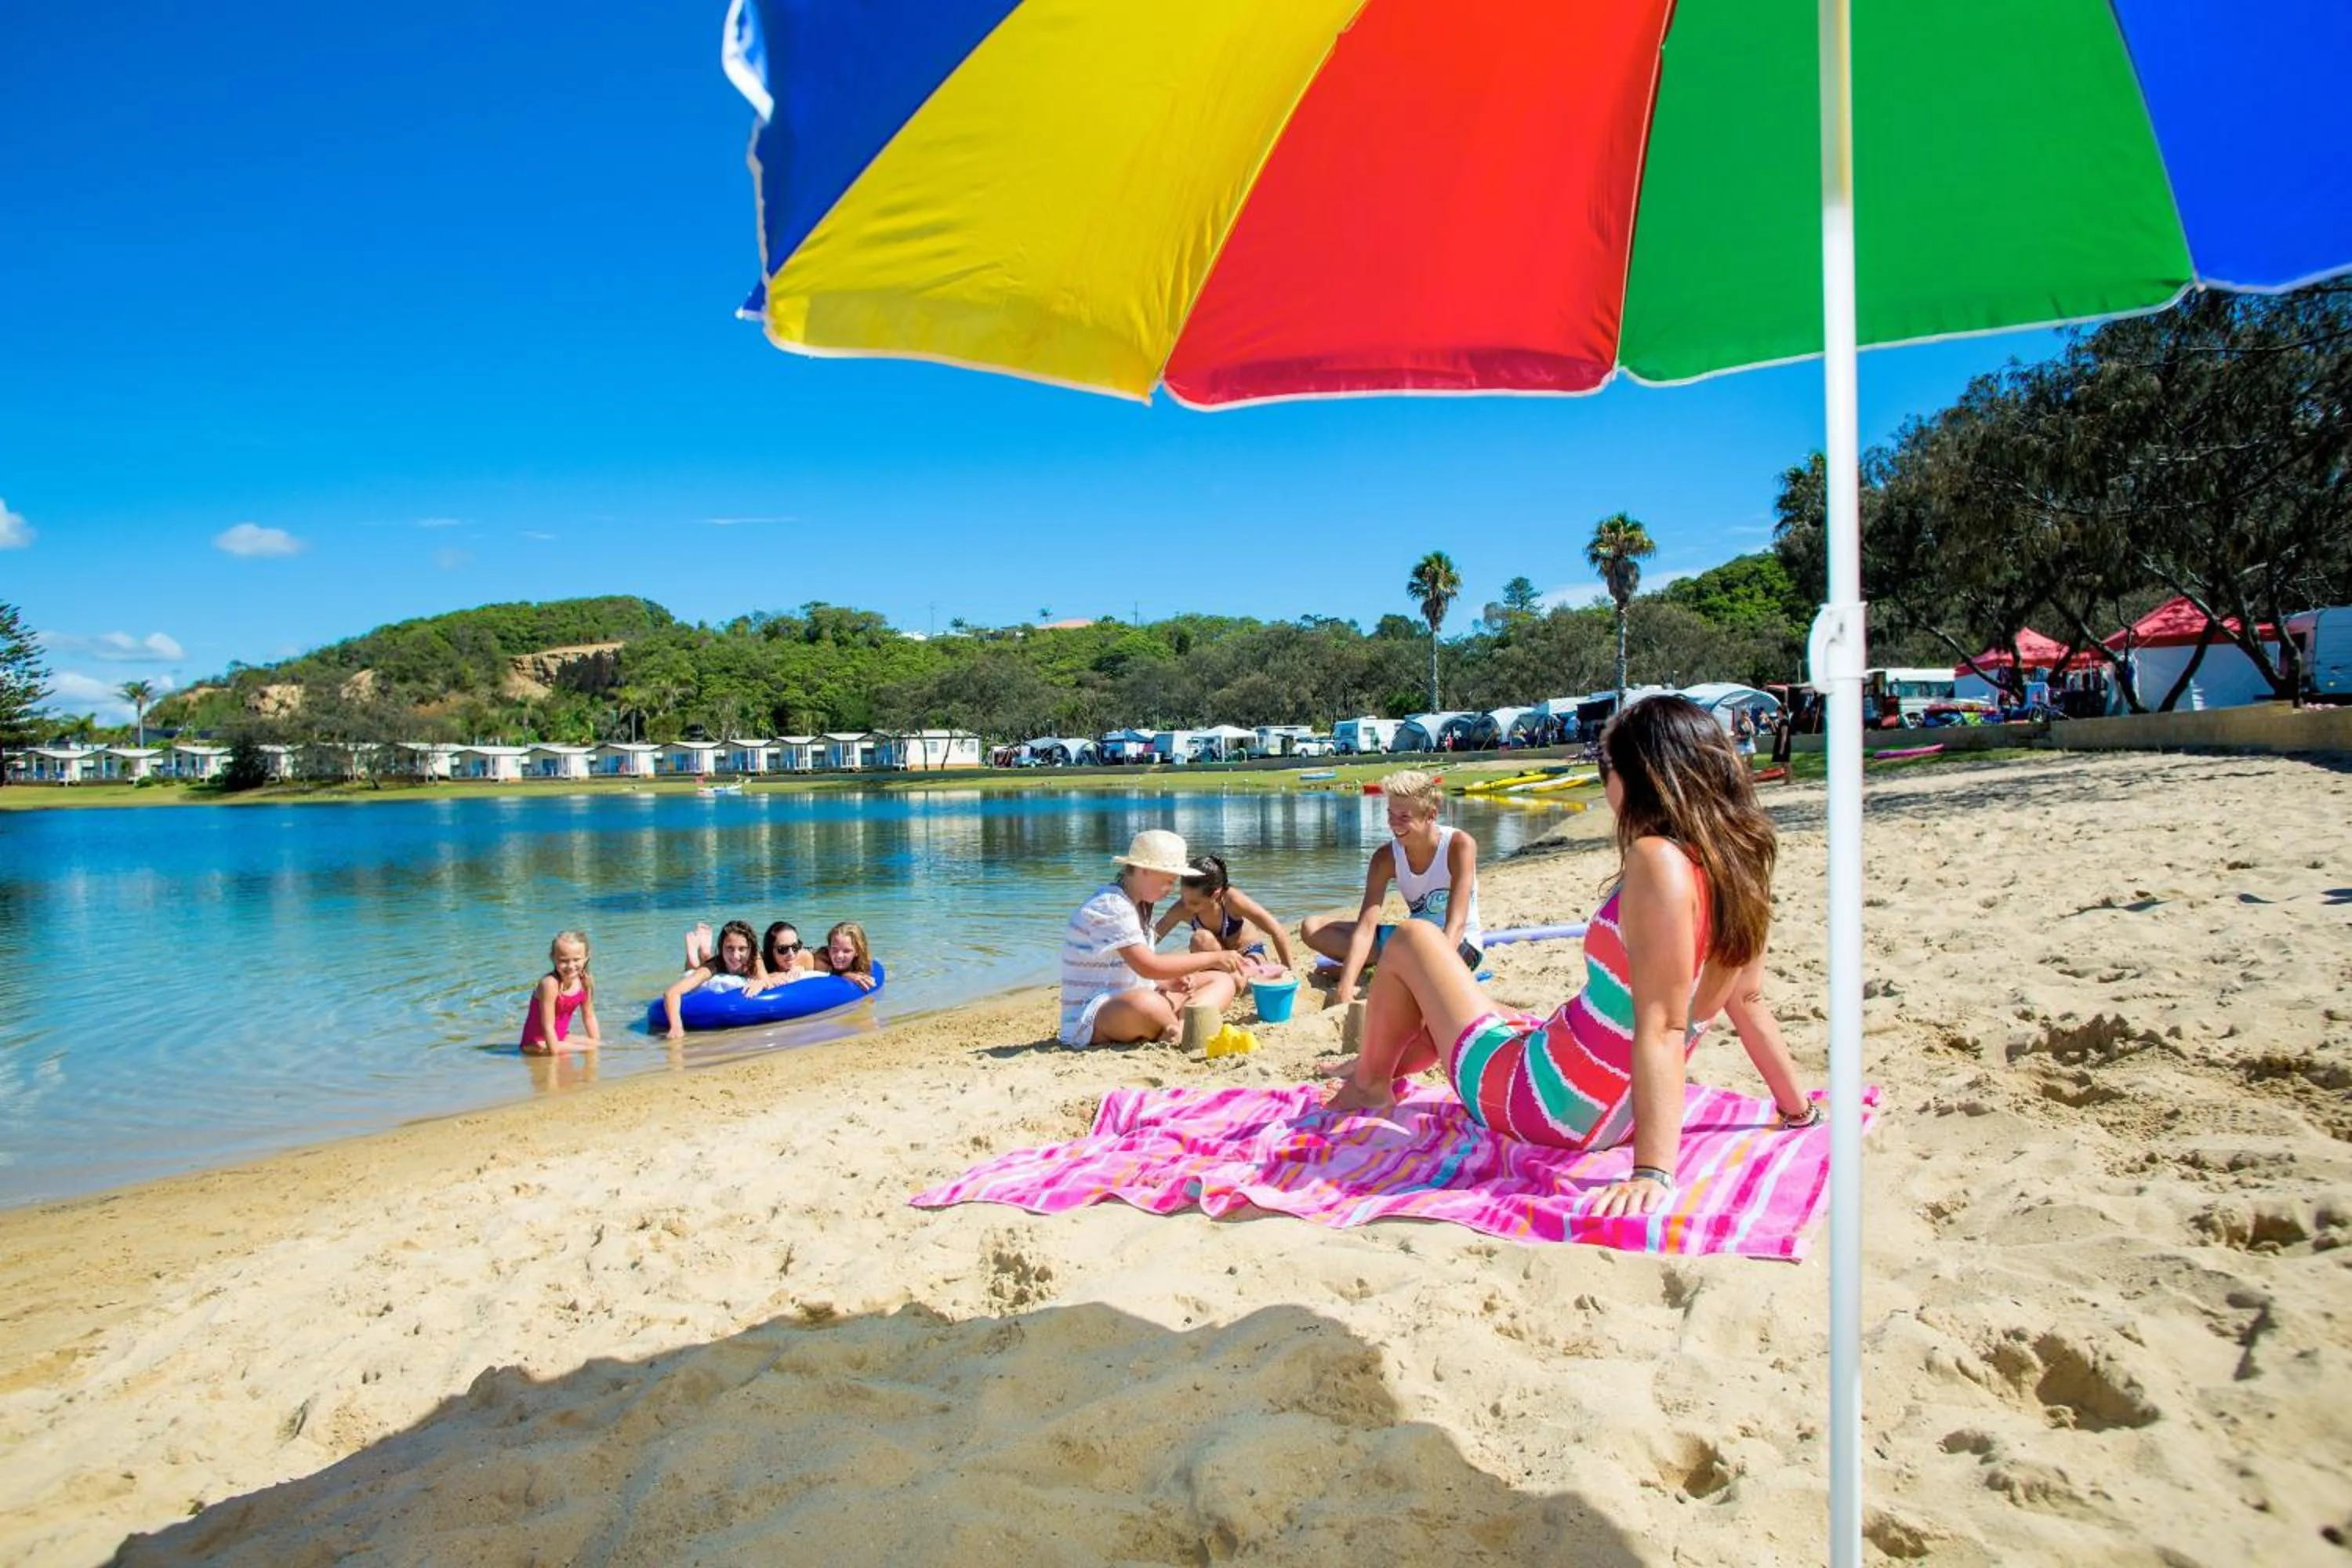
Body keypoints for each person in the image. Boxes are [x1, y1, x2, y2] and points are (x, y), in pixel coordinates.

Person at [1323, 695, 1817, 1218]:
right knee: (1493, 1015)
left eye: (1608, 767)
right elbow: (1748, 1000)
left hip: (1544, 1103)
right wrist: (1797, 1110)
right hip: (1613, 1111)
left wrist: (1651, 1172)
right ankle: (1371, 1069)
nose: (1606, 785)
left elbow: (1665, 1027)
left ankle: (1371, 1086)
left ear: (1643, 775)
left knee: (1411, 941)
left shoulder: (1658, 861)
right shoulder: (1738, 869)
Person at [1301, 769, 1481, 1006]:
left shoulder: (1459, 846)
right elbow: (1366, 928)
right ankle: (1387, 967)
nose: (1394, 825)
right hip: (1410, 941)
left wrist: (1439, 969)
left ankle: (1395, 969)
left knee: (1418, 968)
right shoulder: (1385, 858)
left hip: (1458, 943)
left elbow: (1456, 923)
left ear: (1431, 815)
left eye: (1404, 817)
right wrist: (1345, 989)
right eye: (1390, 814)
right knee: (1311, 927)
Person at [1060, 829, 1251, 1047]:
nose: (1171, 890)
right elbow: (1148, 966)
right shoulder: (1112, 906)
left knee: (1220, 980)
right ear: (1144, 870)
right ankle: (1179, 1024)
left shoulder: (1141, 904)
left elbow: (1131, 969)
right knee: (1148, 1004)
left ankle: (1181, 1025)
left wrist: (1165, 982)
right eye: (1168, 881)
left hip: (1132, 996)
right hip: (1095, 1013)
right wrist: (1214, 957)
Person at [1153, 854, 1296, 971]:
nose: (1186, 905)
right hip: (1217, 960)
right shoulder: (1182, 908)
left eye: (1194, 902)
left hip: (1246, 953)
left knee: (1246, 973)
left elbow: (1276, 930)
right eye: (1183, 897)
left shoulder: (1233, 901)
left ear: (1216, 894)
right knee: (1200, 938)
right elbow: (1151, 938)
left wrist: (1288, 969)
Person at [662, 919, 760, 1040]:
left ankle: (704, 951)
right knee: (691, 972)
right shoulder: (714, 966)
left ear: (751, 950)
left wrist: (761, 983)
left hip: (725, 962)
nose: (735, 955)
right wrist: (676, 1026)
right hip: (715, 965)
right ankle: (693, 954)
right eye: (729, 948)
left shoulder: (755, 962)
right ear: (721, 948)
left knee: (711, 960)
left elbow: (768, 981)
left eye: (742, 949)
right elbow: (671, 992)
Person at [520, 930, 601, 1054]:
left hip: (560, 1036)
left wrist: (596, 1043)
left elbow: (589, 1016)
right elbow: (548, 1027)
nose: (570, 966)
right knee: (591, 1049)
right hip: (537, 1043)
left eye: (576, 960)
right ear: (553, 958)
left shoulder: (585, 981)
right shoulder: (550, 984)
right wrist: (554, 1061)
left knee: (602, 1045)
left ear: (586, 957)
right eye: (564, 960)